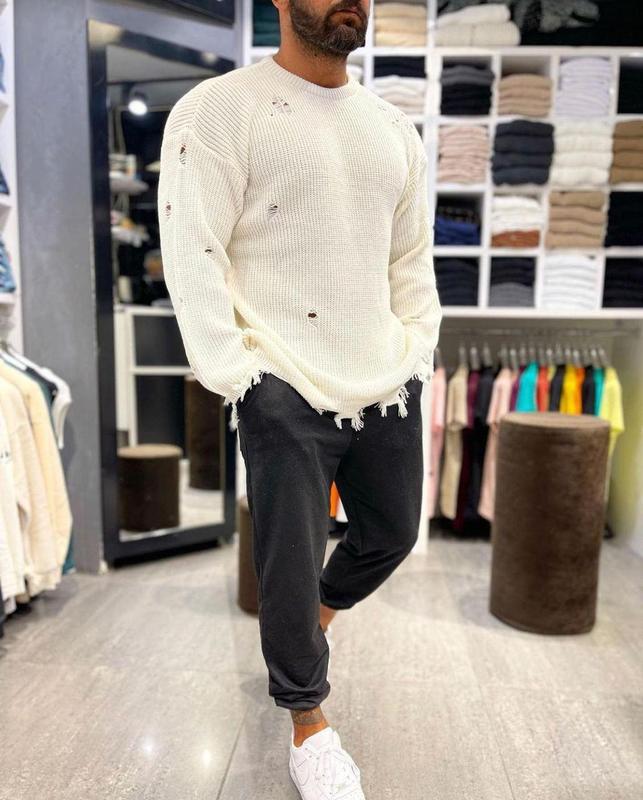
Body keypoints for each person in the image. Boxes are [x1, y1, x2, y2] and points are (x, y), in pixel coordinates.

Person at [157, 0, 442, 794]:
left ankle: (312, 624)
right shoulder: (221, 108)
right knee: (286, 561)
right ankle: (307, 721)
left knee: (391, 531)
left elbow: (409, 258)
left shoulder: (391, 128)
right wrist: (241, 374)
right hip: (279, 374)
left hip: (382, 373)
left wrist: (416, 350)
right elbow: (193, 248)